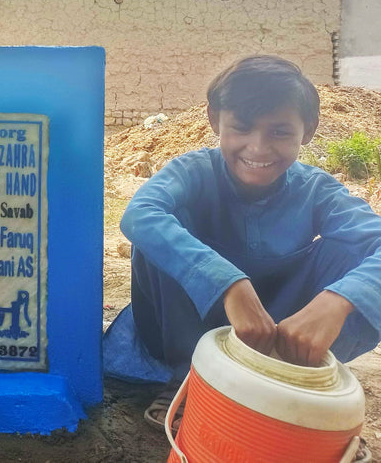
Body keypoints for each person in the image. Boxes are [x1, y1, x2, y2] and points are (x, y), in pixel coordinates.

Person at [117, 55, 381, 439]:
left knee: (354, 257)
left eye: (279, 132)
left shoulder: (318, 190)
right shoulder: (194, 171)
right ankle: (190, 382)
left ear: (308, 130)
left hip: (283, 335)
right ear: (213, 120)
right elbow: (139, 214)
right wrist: (227, 284)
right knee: (161, 235)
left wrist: (336, 301)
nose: (258, 148)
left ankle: (299, 378)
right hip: (192, 329)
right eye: (241, 128)